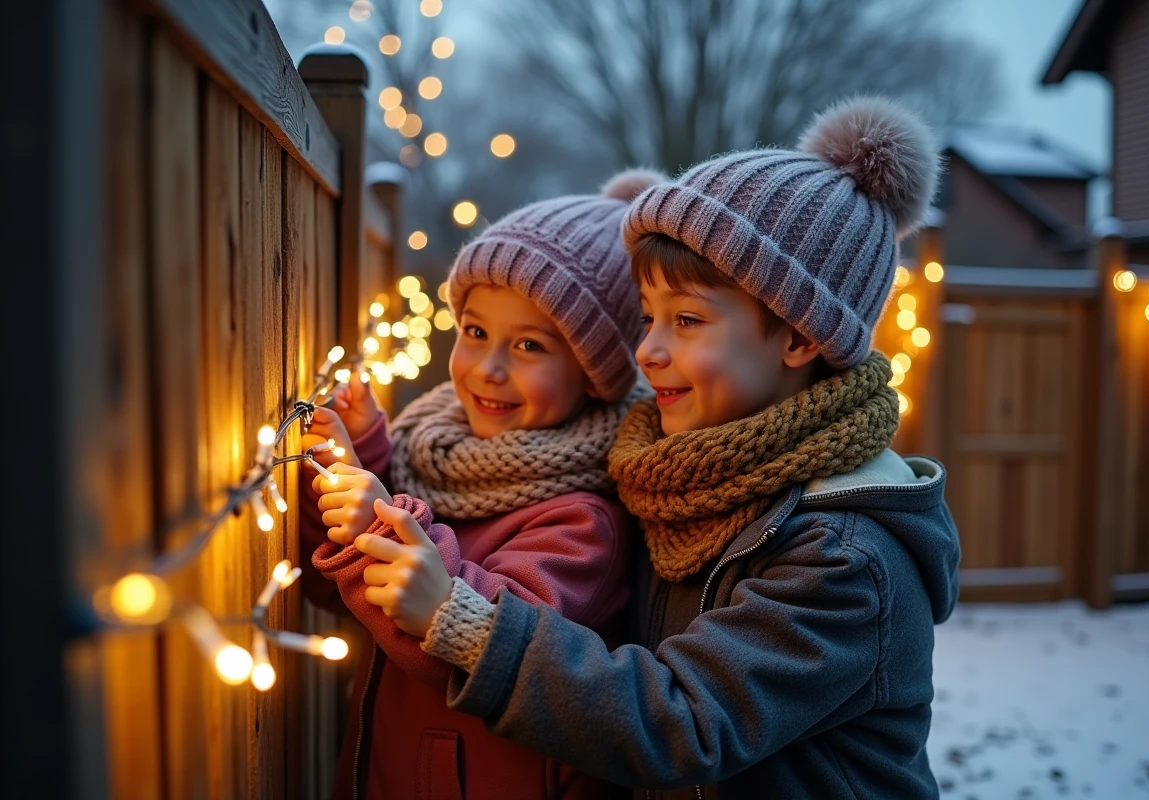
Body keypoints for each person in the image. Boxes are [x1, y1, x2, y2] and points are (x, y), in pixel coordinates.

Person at [358, 96, 962, 798]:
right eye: (647, 317)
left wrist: (465, 623)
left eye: (686, 319)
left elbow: (683, 720)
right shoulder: (673, 480)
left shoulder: (844, 557)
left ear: (800, 337)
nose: (648, 350)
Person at [298, 168, 664, 800]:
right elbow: (339, 597)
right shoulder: (436, 454)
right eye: (475, 333)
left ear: (594, 374)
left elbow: (467, 644)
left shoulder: (582, 521)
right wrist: (358, 464)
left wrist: (375, 525)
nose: (489, 369)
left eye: (528, 345)